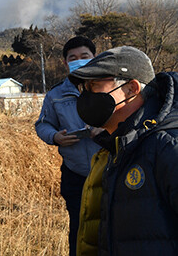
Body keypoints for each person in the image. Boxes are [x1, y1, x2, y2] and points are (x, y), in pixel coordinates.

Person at [69, 46, 178, 255]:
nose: (84, 97)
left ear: (131, 89)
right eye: (83, 89)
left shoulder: (167, 147)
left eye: (93, 86)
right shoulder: (115, 149)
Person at [35, 36, 102, 256]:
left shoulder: (108, 86)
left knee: (115, 224)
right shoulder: (56, 94)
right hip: (75, 173)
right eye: (72, 58)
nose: (79, 61)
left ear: (95, 57)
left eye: (85, 56)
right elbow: (43, 124)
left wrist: (107, 131)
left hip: (110, 170)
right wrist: (55, 137)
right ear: (65, 63)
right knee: (80, 228)